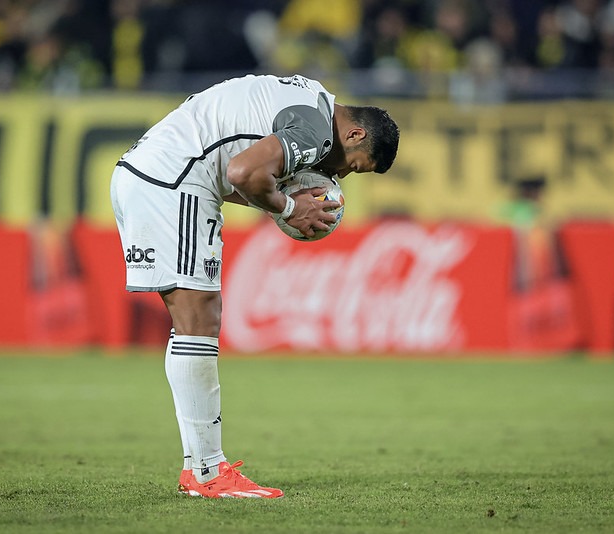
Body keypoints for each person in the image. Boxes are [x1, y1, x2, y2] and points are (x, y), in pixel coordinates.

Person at [110, 73, 399, 499]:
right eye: (352, 164)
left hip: (153, 174)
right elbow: (242, 170)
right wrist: (288, 208)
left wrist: (280, 201)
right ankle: (208, 473)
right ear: (354, 133)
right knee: (198, 319)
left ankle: (199, 466)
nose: (341, 174)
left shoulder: (309, 98)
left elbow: (234, 165)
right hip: (173, 182)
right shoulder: (317, 133)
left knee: (193, 320)